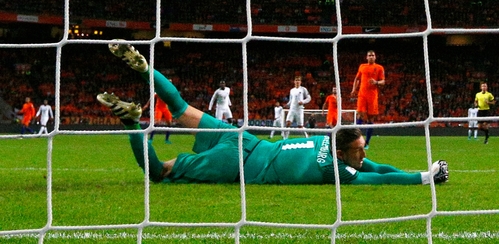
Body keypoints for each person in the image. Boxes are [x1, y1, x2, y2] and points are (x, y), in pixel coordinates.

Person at [97, 40, 448, 185]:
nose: (365, 153)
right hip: (240, 164)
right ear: (342, 153)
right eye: (360, 150)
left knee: (180, 107)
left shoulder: (332, 146)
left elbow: (379, 166)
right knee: (160, 173)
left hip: (245, 140)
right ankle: (131, 121)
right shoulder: (334, 169)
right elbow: (378, 178)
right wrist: (424, 179)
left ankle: (146, 68)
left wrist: (423, 169)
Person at [351, 50, 385, 149]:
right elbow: (357, 79)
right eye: (369, 55)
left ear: (375, 57)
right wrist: (354, 89)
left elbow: (383, 81)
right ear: (366, 57)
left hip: (373, 96)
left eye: (372, 55)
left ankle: (367, 142)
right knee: (360, 115)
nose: (371, 57)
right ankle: (357, 139)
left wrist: (376, 82)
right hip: (362, 95)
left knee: (371, 118)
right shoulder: (362, 66)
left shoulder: (379, 68)